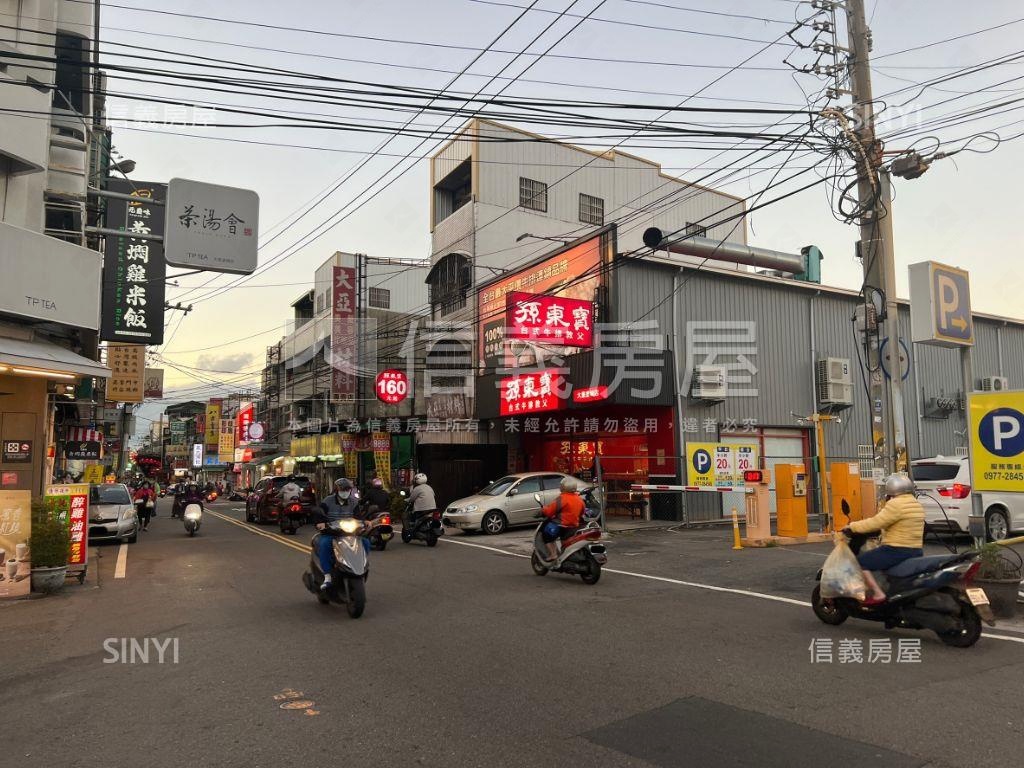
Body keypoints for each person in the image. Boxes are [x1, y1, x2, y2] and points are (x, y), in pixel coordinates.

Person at [844, 473, 925, 604]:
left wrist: (852, 527)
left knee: (860, 563)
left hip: (896, 549)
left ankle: (878, 593)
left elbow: (875, 523)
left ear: (892, 489)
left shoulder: (895, 504)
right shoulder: (916, 504)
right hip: (915, 549)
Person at [312, 478, 365, 590]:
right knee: (324, 544)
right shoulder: (327, 501)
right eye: (343, 489)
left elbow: (358, 517)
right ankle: (327, 576)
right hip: (331, 533)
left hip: (349, 534)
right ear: (337, 490)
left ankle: (361, 567)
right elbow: (318, 514)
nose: (345, 491)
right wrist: (320, 523)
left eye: (347, 489)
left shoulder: (353, 502)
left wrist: (365, 523)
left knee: (365, 543)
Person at [539, 477, 586, 564]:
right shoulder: (580, 500)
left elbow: (549, 512)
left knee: (546, 534)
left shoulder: (561, 499)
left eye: (561, 486)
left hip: (561, 526)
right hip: (574, 526)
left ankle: (553, 554)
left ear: (564, 487)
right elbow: (582, 513)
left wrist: (543, 510)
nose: (560, 487)